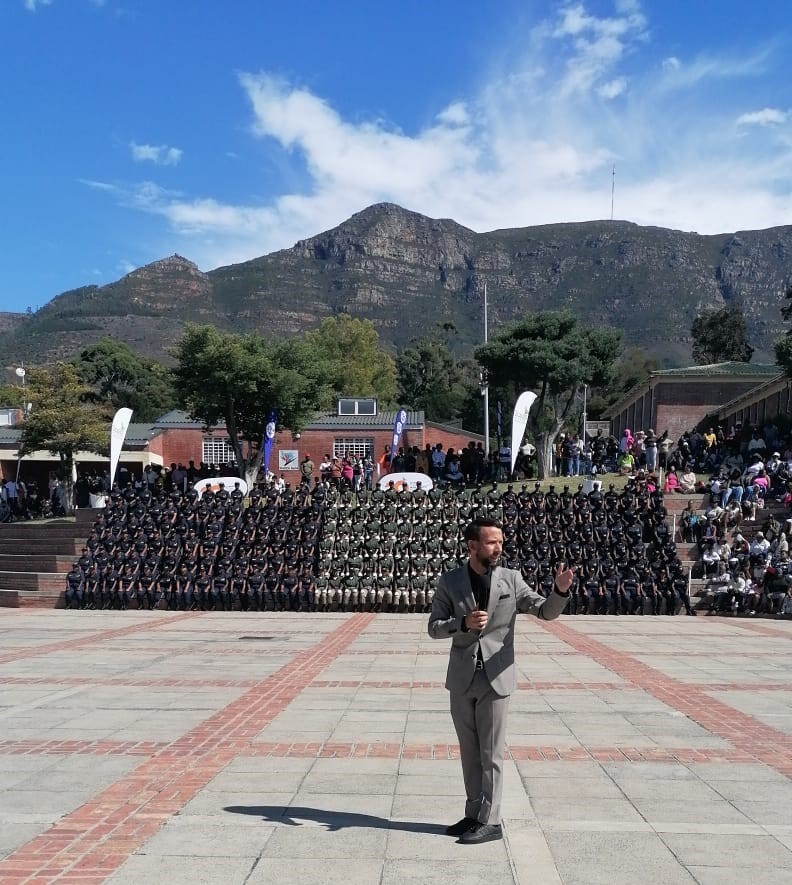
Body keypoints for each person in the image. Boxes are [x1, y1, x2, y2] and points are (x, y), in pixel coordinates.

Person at [428, 517, 573, 844]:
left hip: (497, 677)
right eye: (492, 542)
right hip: (462, 677)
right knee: (469, 752)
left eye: (501, 541)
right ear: (473, 546)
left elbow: (544, 611)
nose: (499, 547)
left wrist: (560, 591)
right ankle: (473, 814)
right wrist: (462, 624)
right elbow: (434, 627)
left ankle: (491, 821)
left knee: (491, 752)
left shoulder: (511, 579)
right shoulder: (450, 581)